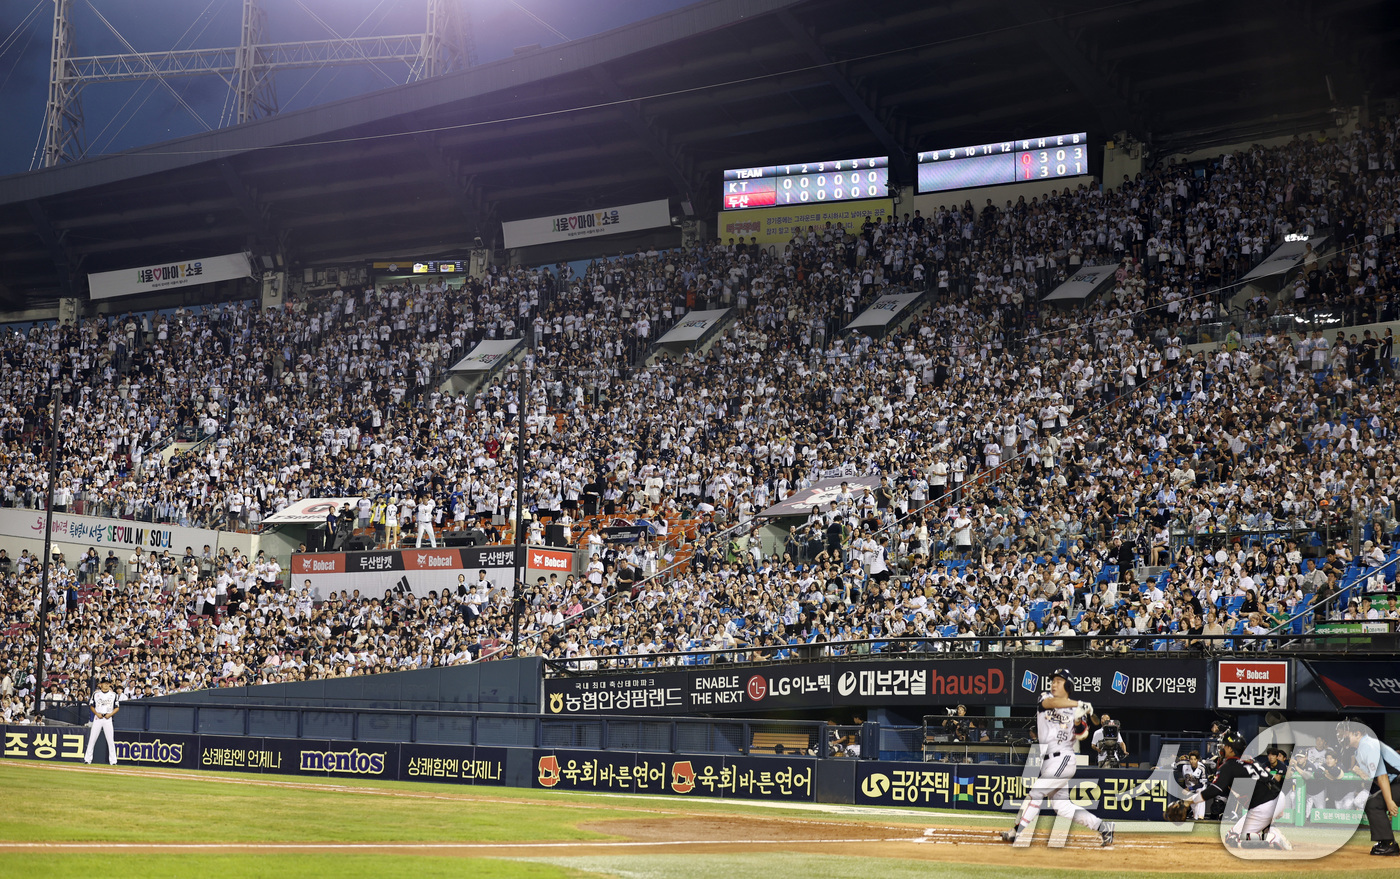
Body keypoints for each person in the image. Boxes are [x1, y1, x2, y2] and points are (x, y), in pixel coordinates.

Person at [1000, 669, 1113, 847]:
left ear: (1067, 685)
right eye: (1053, 681)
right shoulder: (1045, 697)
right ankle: (1103, 826)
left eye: (1059, 681)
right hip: (1048, 760)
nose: (1053, 684)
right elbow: (1049, 703)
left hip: (1063, 758)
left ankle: (1016, 832)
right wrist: (1079, 704)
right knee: (1062, 807)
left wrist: (1078, 719)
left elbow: (1082, 733)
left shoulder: (1078, 710)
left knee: (1036, 792)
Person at [1179, 731, 1290, 850]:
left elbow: (1214, 790)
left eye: (1225, 745)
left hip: (1264, 806)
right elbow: (1270, 779)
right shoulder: (1250, 760)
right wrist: (1279, 805)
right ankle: (1271, 831)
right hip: (1276, 797)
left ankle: (1271, 838)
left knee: (1237, 840)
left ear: (1232, 749)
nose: (1222, 748)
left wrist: (1188, 802)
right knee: (1230, 836)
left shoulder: (1229, 765)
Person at [1337, 719, 1400, 856]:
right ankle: (1386, 842)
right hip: (1395, 782)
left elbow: (1382, 776)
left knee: (1374, 803)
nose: (1343, 737)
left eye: (1346, 734)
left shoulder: (1367, 745)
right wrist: (1387, 799)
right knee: (1374, 802)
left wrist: (1389, 801)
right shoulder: (1360, 749)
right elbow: (1378, 778)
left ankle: (1388, 844)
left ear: (1357, 733)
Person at [84, 677, 120, 765]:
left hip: (108, 718)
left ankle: (113, 761)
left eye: (108, 683)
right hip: (98, 717)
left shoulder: (113, 694)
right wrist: (96, 713)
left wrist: (110, 714)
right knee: (92, 739)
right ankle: (87, 759)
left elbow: (117, 707)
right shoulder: (96, 694)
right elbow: (92, 705)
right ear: (100, 684)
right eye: (104, 683)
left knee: (110, 740)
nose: (106, 685)